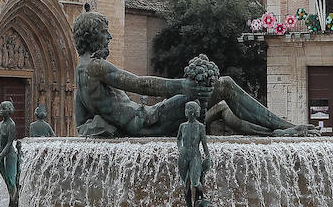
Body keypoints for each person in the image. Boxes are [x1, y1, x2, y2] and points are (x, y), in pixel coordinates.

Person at [70, 10, 318, 137]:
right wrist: (184, 87)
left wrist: (103, 129)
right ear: (92, 36)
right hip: (147, 120)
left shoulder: (81, 72)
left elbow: (81, 123)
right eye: (105, 31)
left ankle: (274, 133)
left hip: (142, 122)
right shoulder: (96, 66)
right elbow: (141, 84)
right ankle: (287, 127)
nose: (110, 37)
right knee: (225, 86)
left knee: (220, 106)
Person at [176, 101, 212, 207]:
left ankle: (202, 200)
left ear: (193, 111)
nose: (186, 111)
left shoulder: (200, 127)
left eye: (187, 109)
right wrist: (180, 149)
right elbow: (178, 139)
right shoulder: (183, 126)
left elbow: (204, 144)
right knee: (185, 184)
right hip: (183, 156)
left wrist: (208, 157)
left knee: (195, 182)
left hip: (195, 156)